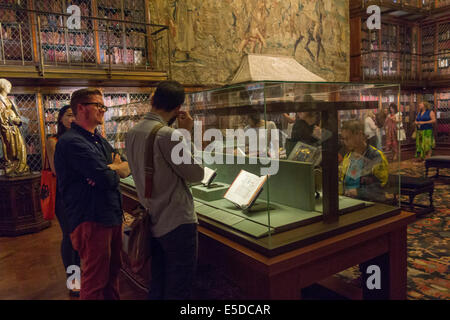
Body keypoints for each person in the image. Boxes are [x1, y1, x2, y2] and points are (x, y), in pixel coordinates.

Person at [125, 80, 204, 300]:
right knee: (180, 286)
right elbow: (196, 174)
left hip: (152, 217)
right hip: (177, 221)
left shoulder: (132, 133)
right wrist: (186, 134)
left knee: (158, 281)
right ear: (178, 108)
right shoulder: (170, 135)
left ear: (152, 100)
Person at [54, 88, 130, 300]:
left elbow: (125, 166)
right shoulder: (71, 142)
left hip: (110, 214)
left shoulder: (97, 139)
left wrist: (108, 168)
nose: (103, 110)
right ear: (81, 108)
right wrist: (110, 169)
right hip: (91, 218)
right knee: (95, 279)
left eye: (103, 106)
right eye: (98, 105)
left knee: (113, 271)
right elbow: (106, 179)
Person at [45, 105, 80, 297]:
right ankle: (73, 281)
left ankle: (83, 276)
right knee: (69, 236)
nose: (72, 119)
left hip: (80, 196)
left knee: (81, 237)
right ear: (60, 119)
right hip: (63, 196)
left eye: (75, 115)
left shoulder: (81, 138)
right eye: (68, 115)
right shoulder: (54, 141)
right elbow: (57, 170)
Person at [339, 120, 389, 203]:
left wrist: (359, 192)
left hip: (368, 203)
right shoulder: (348, 156)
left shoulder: (375, 156)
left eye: (348, 138)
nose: (345, 142)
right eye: (343, 139)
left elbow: (382, 186)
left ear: (359, 134)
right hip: (349, 201)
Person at [0, 78, 30, 176]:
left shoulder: (9, 100)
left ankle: (20, 167)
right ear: (2, 86)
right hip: (6, 128)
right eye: (8, 86)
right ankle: (10, 167)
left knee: (20, 147)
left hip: (14, 127)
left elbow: (15, 112)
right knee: (10, 149)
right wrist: (9, 120)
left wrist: (17, 119)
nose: (10, 88)